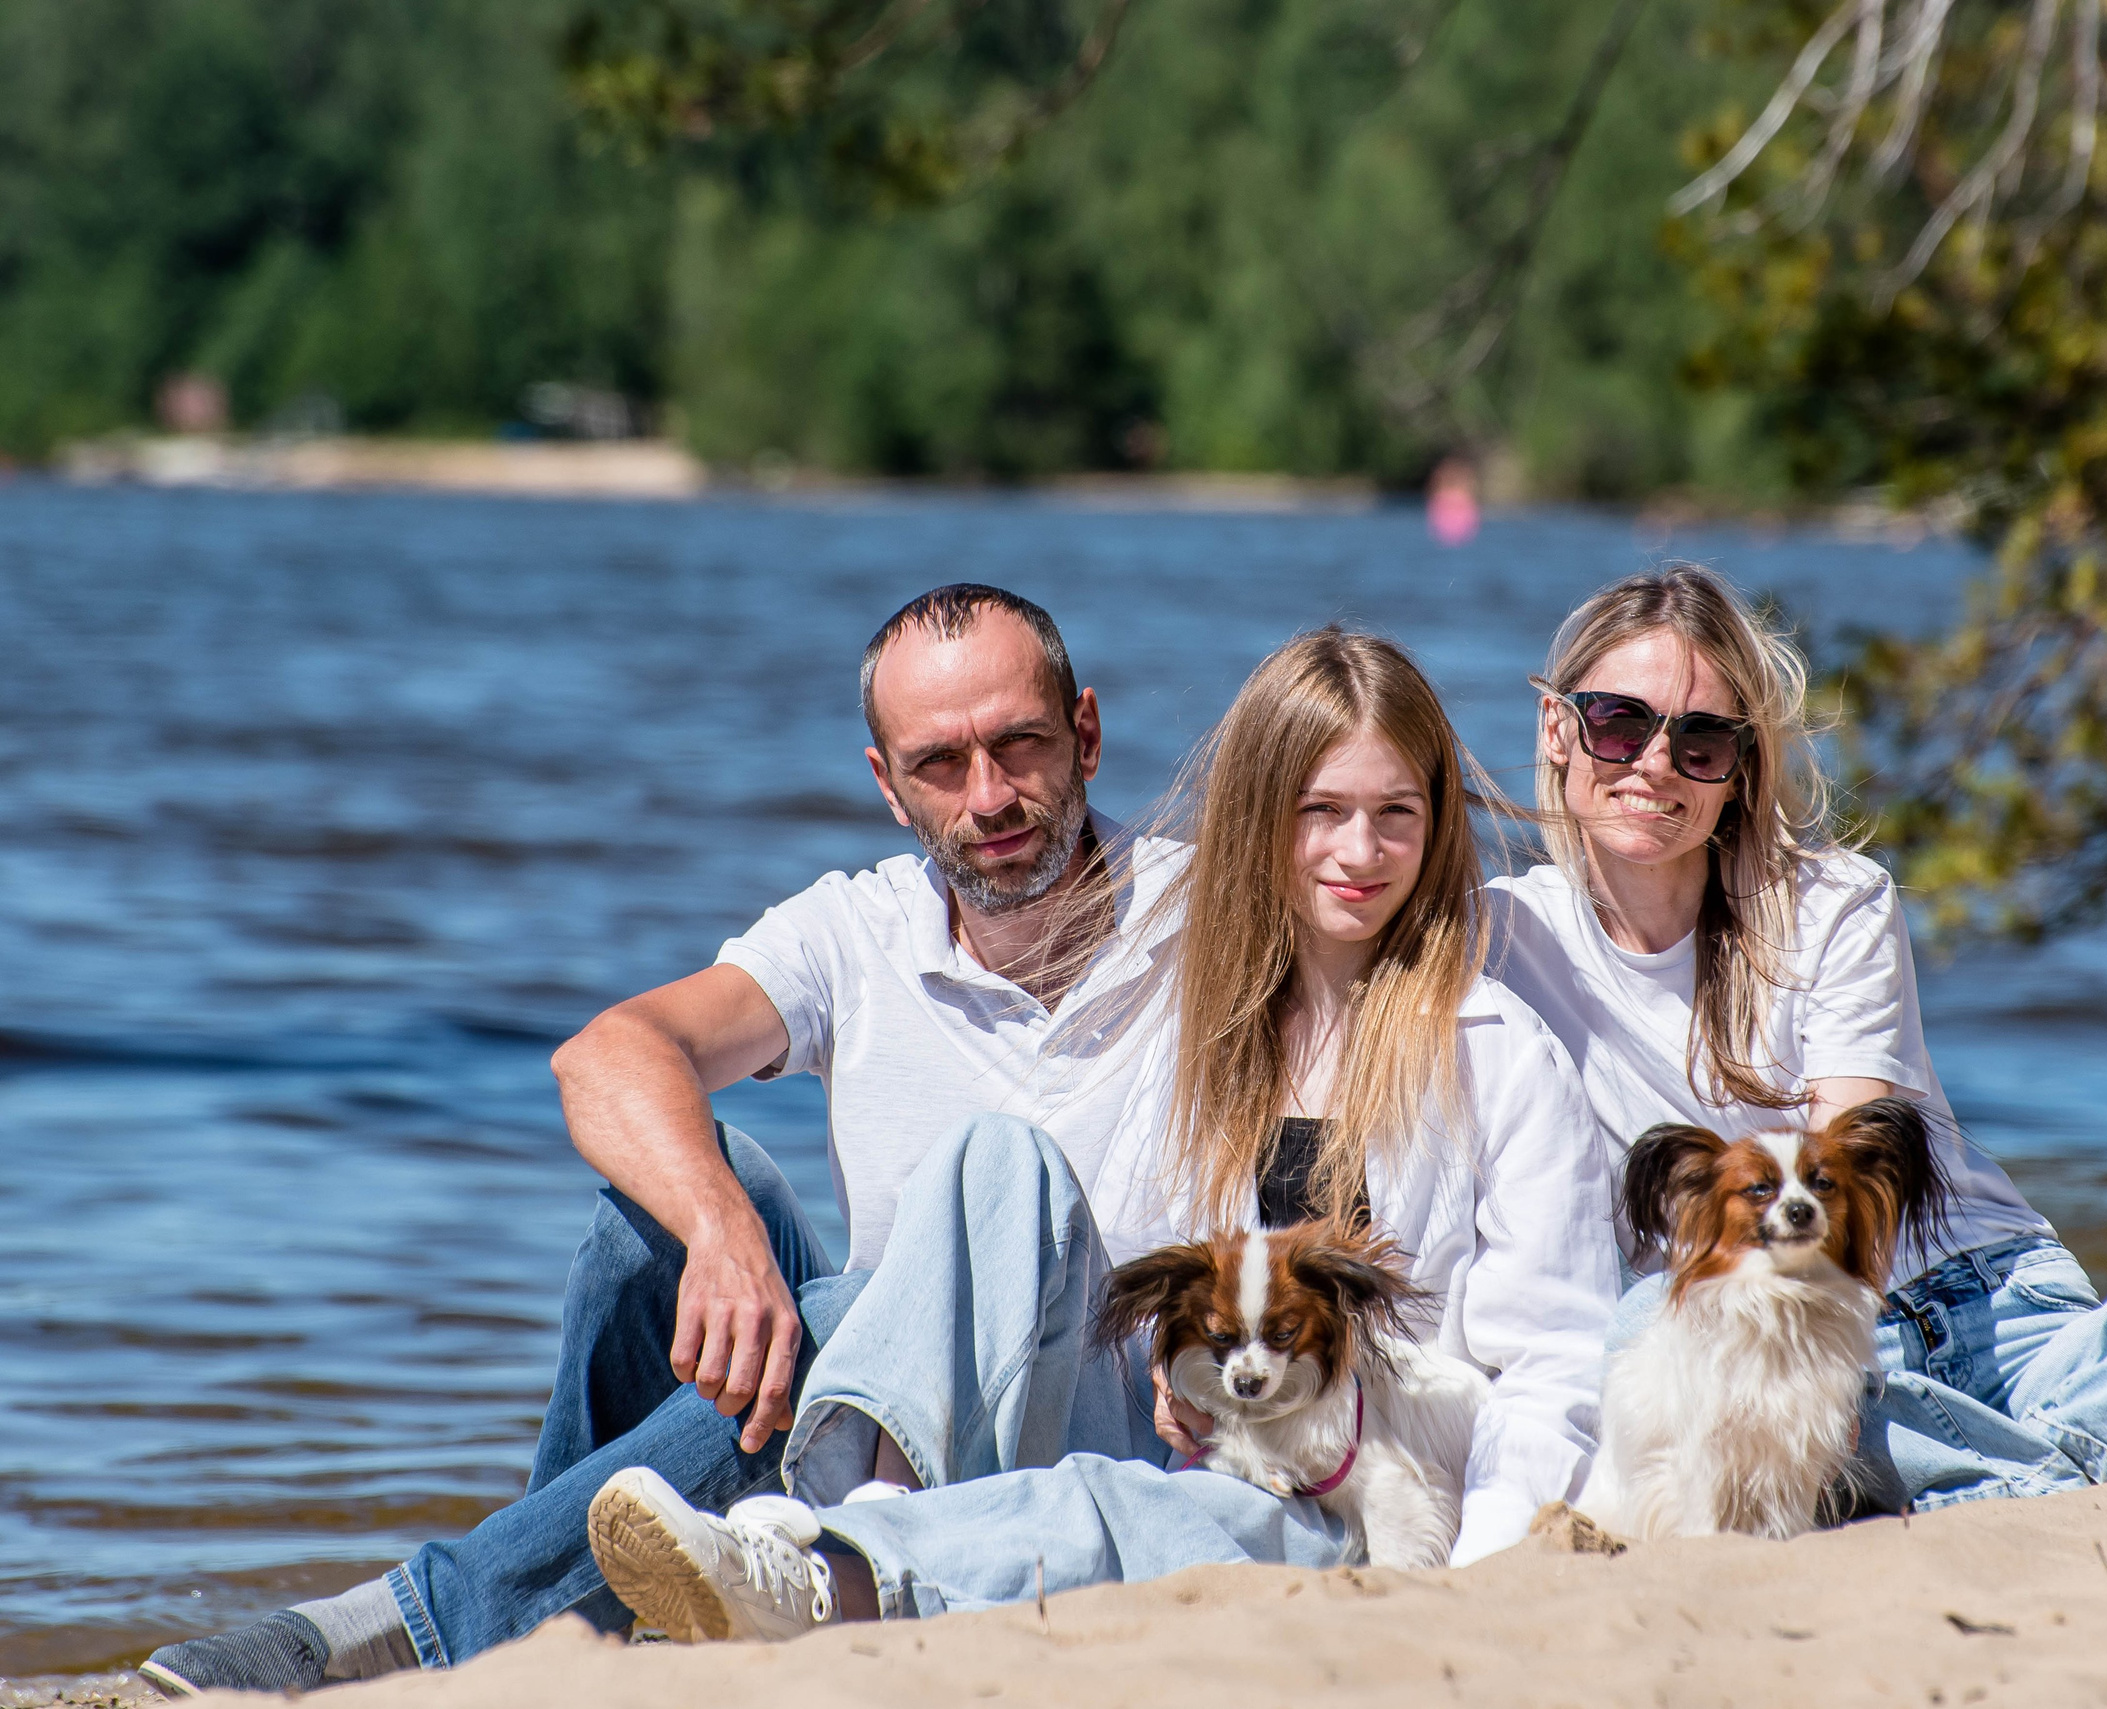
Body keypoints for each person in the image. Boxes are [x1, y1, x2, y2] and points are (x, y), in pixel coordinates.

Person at [142, 584, 1190, 1694]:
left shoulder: (1210, 917)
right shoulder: (860, 928)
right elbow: (607, 1053)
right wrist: (721, 1230)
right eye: (940, 762)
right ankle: (573, 1617)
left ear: (1083, 732)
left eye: (1019, 744)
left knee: (863, 1288)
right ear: (887, 786)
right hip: (879, 1435)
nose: (988, 795)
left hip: (1096, 1428)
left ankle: (441, 1621)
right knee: (670, 1206)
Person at [582, 627, 1619, 1637]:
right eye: (1322, 810)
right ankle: (828, 1538)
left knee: (1137, 1507)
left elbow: (1549, 1371)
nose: (1361, 850)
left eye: (1397, 811)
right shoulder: (1199, 1020)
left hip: (1354, 1494)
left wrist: (1479, 1577)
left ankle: (834, 1570)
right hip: (1193, 1442)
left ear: (1437, 823)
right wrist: (1171, 1376)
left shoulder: (1496, 1050)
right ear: (1263, 818)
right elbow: (1122, 1258)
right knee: (995, 1162)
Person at [1484, 564, 2107, 1507]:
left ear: (1740, 768)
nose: (1653, 763)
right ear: (1559, 730)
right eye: (1617, 721)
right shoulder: (1493, 941)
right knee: (1649, 1322)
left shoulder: (1831, 901)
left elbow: (1852, 1182)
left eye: (1699, 740)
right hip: (1768, 1337)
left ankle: (2016, 1468)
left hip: (1999, 1303)